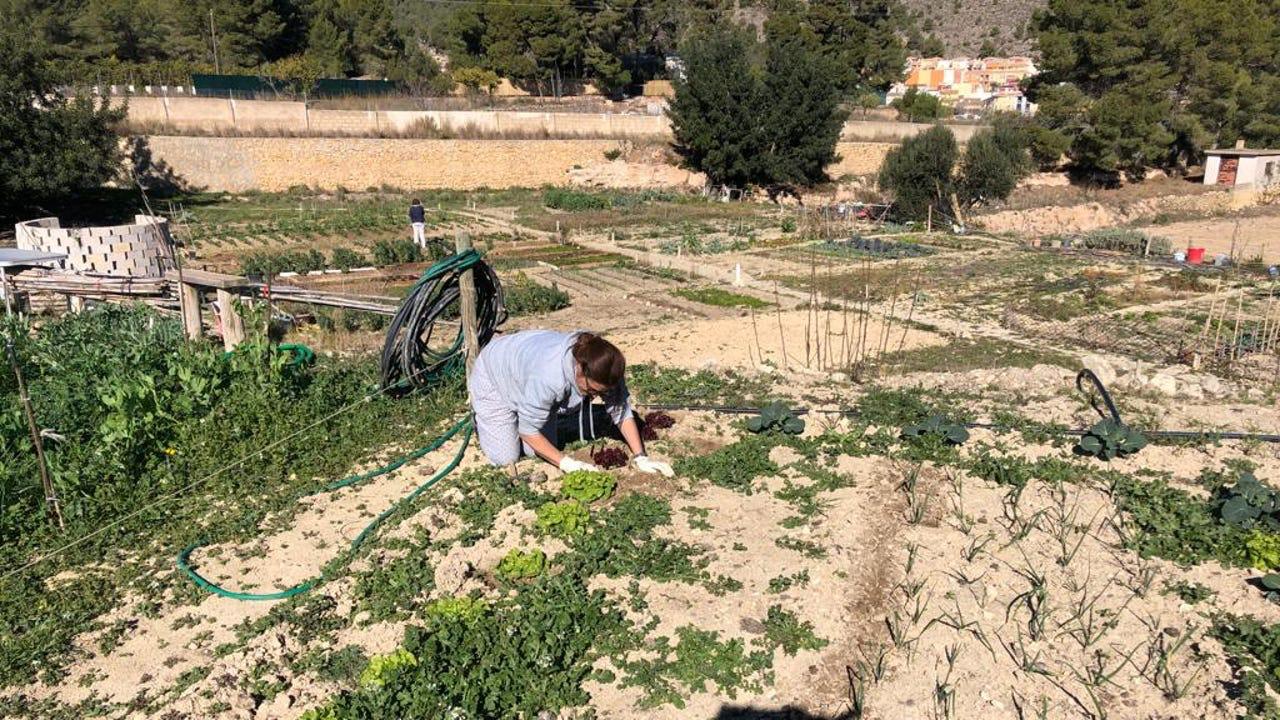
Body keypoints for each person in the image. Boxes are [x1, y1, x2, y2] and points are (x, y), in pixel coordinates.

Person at [468, 329, 675, 476]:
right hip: (496, 374)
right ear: (579, 369)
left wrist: (640, 456)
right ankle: (483, 419)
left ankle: (523, 412)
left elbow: (620, 410)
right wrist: (567, 463)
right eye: (592, 391)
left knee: (535, 452)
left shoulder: (607, 366)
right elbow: (528, 431)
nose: (595, 396)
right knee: (506, 458)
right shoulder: (549, 377)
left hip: (527, 365)